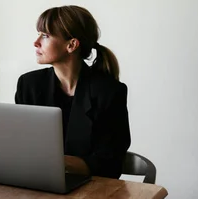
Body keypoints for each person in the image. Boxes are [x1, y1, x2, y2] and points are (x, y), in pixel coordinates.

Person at [15, 5, 131, 179]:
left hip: (92, 189)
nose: (36, 42)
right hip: (37, 183)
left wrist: (54, 162)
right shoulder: (29, 84)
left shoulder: (110, 92)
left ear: (71, 45)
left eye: (45, 35)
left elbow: (110, 164)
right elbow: (21, 145)